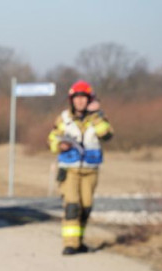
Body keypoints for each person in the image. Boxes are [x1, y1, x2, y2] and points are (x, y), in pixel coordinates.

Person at [48, 80, 114, 255]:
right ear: (71, 100)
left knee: (86, 207)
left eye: (83, 98)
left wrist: (96, 115)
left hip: (90, 169)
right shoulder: (63, 119)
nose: (80, 101)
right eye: (77, 98)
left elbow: (107, 135)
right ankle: (70, 244)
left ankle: (79, 241)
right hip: (69, 169)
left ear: (89, 99)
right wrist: (59, 146)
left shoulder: (98, 118)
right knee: (72, 206)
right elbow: (51, 140)